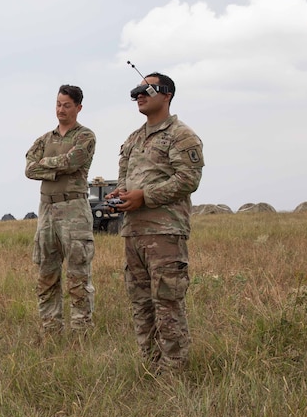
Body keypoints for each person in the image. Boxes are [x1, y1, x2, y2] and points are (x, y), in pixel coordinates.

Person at [106, 73, 204, 374]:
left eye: (147, 90)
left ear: (167, 95)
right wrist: (120, 194)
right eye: (136, 91)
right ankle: (150, 368)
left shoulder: (181, 135)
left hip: (164, 232)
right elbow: (124, 179)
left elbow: (188, 179)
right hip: (133, 233)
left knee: (167, 304)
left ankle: (173, 374)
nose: (139, 95)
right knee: (141, 305)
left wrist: (145, 196)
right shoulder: (133, 140)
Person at [25, 84, 97, 335]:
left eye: (67, 105)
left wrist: (46, 164)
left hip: (74, 209)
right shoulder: (45, 139)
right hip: (47, 210)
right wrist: (56, 168)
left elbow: (73, 161)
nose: (61, 109)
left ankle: (81, 332)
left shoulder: (85, 136)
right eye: (58, 104)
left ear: (78, 107)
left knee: (78, 275)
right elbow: (29, 169)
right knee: (46, 273)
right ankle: (51, 330)